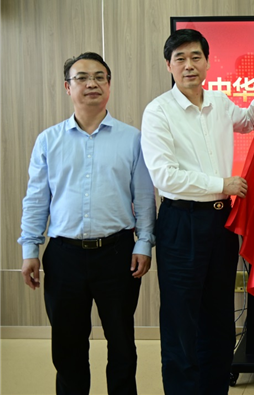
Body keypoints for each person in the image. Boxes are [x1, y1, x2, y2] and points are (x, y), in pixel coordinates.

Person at [141, 29, 254, 395]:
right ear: (169, 65)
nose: (189, 65)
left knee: (218, 316)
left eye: (196, 57)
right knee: (181, 321)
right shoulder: (158, 111)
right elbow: (165, 176)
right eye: (180, 59)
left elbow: (247, 121)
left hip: (220, 223)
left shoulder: (219, 101)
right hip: (180, 222)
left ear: (207, 62)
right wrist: (222, 184)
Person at [19, 52, 156, 395]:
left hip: (117, 254)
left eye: (99, 77)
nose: (91, 83)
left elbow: (144, 197)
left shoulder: (132, 139)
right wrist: (29, 249)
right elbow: (36, 199)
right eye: (81, 77)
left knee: (122, 343)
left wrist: (144, 243)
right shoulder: (48, 140)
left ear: (109, 85)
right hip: (63, 256)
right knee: (67, 347)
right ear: (68, 87)